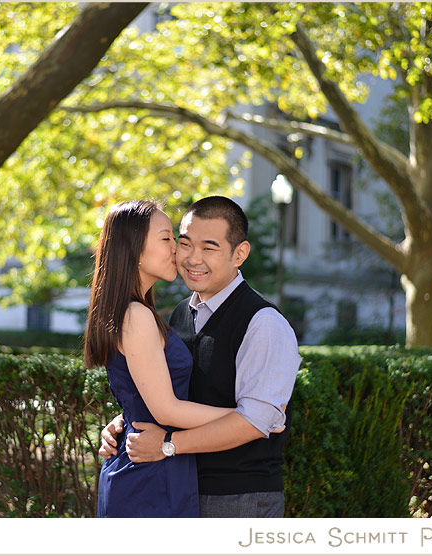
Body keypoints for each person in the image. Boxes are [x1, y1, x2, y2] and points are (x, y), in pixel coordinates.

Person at [100, 195, 301, 518]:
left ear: (240, 254)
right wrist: (127, 419)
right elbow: (168, 394)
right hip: (178, 485)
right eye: (183, 243)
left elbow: (254, 422)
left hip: (237, 497)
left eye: (209, 248)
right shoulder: (178, 314)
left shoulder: (263, 323)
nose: (192, 258)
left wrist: (168, 443)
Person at [84, 200, 238, 518]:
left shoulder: (136, 312)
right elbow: (166, 408)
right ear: (134, 248)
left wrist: (123, 418)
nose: (177, 251)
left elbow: (140, 393)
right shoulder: (136, 315)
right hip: (149, 475)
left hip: (153, 463)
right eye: (167, 238)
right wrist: (247, 418)